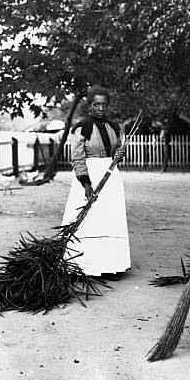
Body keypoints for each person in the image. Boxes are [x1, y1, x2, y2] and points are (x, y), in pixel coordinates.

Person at [61, 85, 131, 280]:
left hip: (110, 176)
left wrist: (119, 155)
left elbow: (115, 153)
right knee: (88, 219)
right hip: (88, 176)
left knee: (109, 219)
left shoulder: (114, 127)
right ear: (89, 106)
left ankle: (110, 265)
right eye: (96, 104)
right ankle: (81, 266)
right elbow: (77, 157)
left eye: (104, 104)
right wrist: (86, 183)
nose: (100, 108)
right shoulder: (81, 127)